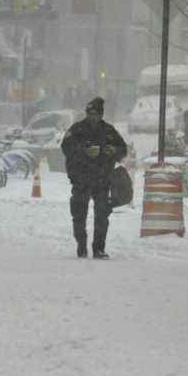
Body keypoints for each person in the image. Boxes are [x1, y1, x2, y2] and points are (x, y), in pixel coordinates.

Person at [61, 97, 127, 259]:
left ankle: (98, 248)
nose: (93, 117)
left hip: (102, 180)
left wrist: (114, 151)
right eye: (90, 113)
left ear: (101, 115)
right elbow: (66, 147)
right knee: (79, 214)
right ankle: (81, 246)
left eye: (96, 114)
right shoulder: (77, 129)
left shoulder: (109, 131)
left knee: (102, 215)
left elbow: (123, 149)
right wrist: (84, 151)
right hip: (81, 179)